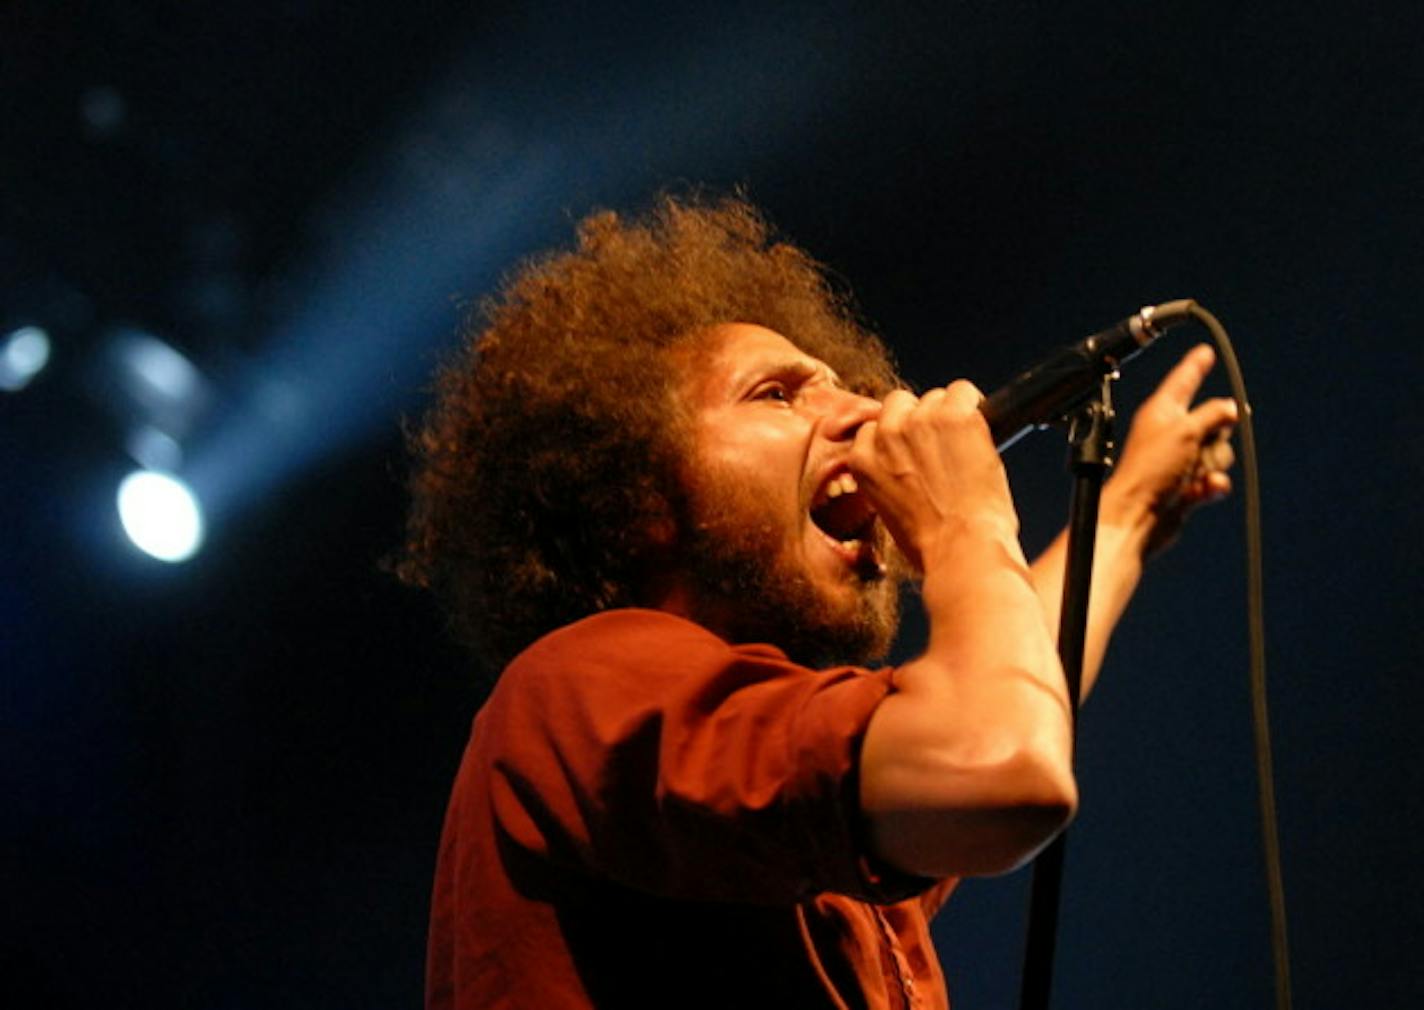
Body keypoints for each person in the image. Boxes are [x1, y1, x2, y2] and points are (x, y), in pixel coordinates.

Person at [395, 195, 1237, 1009]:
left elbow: (1002, 704)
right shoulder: (579, 684)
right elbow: (999, 763)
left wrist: (1124, 519)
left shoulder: (768, 793)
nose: (868, 414)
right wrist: (965, 525)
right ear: (634, 495)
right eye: (779, 394)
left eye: (845, 385)